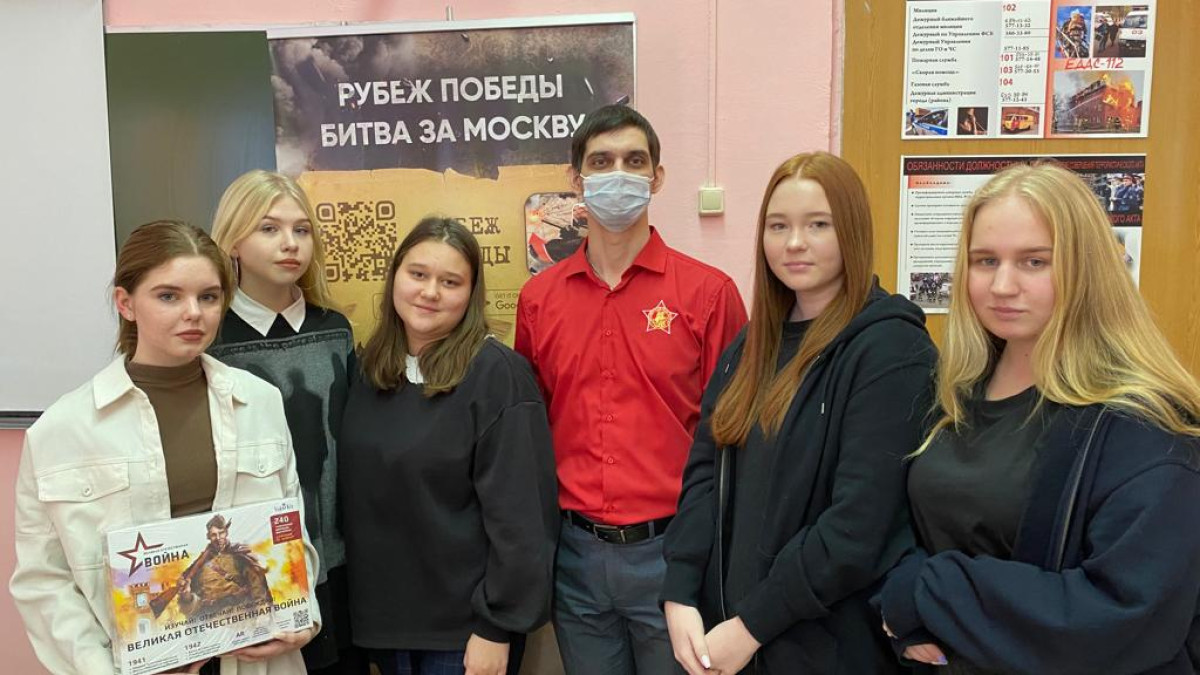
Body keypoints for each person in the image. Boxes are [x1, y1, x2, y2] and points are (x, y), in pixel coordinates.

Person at [878, 162, 1200, 673]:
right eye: (985, 261)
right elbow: (909, 534)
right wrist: (904, 609)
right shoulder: (953, 395)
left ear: (1085, 269)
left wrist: (927, 594)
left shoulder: (1147, 428)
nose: (1003, 285)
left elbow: (1122, 616)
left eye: (1034, 262)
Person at [660, 152, 937, 675]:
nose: (793, 243)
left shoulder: (892, 350)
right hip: (728, 637)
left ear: (852, 231)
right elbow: (704, 475)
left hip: (821, 646)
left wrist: (750, 628)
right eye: (778, 226)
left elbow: (859, 527)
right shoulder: (752, 346)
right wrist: (679, 591)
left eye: (818, 225)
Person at [10, 220, 319, 675]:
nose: (194, 313)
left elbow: (291, 530)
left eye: (208, 297)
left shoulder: (260, 401)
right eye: (169, 296)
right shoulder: (61, 429)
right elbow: (43, 580)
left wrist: (302, 614)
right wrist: (103, 669)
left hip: (261, 659)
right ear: (126, 303)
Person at [514, 104, 747, 674]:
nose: (618, 174)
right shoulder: (539, 300)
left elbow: (738, 436)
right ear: (575, 180)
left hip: (676, 556)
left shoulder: (709, 295)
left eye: (634, 161)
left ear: (657, 177)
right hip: (575, 558)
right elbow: (528, 433)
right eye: (601, 162)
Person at [340, 217, 558, 675]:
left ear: (471, 294)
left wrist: (497, 625)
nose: (430, 292)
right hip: (383, 626)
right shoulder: (367, 369)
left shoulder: (497, 375)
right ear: (395, 277)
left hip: (465, 633)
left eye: (450, 282)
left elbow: (523, 518)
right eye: (417, 274)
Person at [208, 170, 363, 674]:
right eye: (269, 228)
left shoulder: (335, 328)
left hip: (340, 555)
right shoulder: (210, 337)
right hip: (257, 562)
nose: (290, 243)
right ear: (233, 240)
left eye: (301, 230)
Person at [177, 514, 273, 618]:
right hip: (212, 621)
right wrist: (187, 597)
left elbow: (258, 590)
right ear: (208, 537)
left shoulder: (240, 555)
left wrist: (263, 615)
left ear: (226, 532)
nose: (218, 538)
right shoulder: (199, 565)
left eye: (221, 533)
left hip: (242, 618)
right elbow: (191, 607)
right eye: (214, 535)